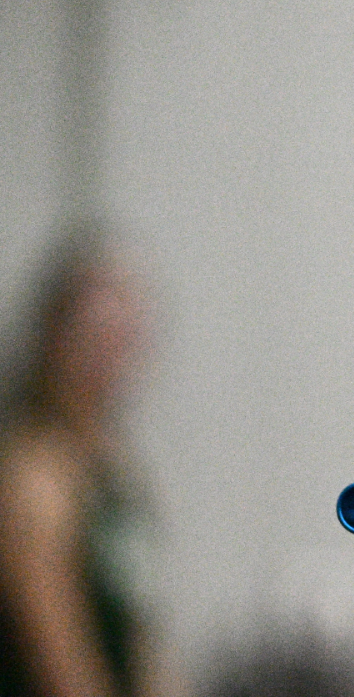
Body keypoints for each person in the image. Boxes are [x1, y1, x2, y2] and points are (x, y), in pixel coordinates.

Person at [0, 229, 166, 697]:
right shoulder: (35, 475)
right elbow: (59, 655)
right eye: (96, 335)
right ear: (56, 339)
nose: (111, 354)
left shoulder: (110, 464)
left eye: (122, 335)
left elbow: (136, 625)